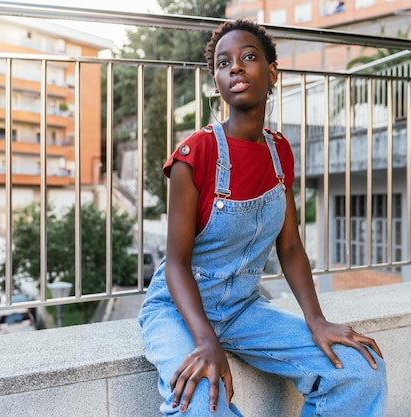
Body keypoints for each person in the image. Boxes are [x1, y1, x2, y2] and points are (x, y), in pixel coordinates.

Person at [139, 19, 387, 416]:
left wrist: (317, 320)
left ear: (272, 72)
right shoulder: (195, 153)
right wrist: (205, 340)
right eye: (224, 63)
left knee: (359, 368)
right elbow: (177, 264)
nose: (235, 68)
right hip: (177, 310)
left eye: (248, 57)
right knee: (200, 402)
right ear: (216, 81)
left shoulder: (279, 152)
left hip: (242, 309)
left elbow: (289, 246)